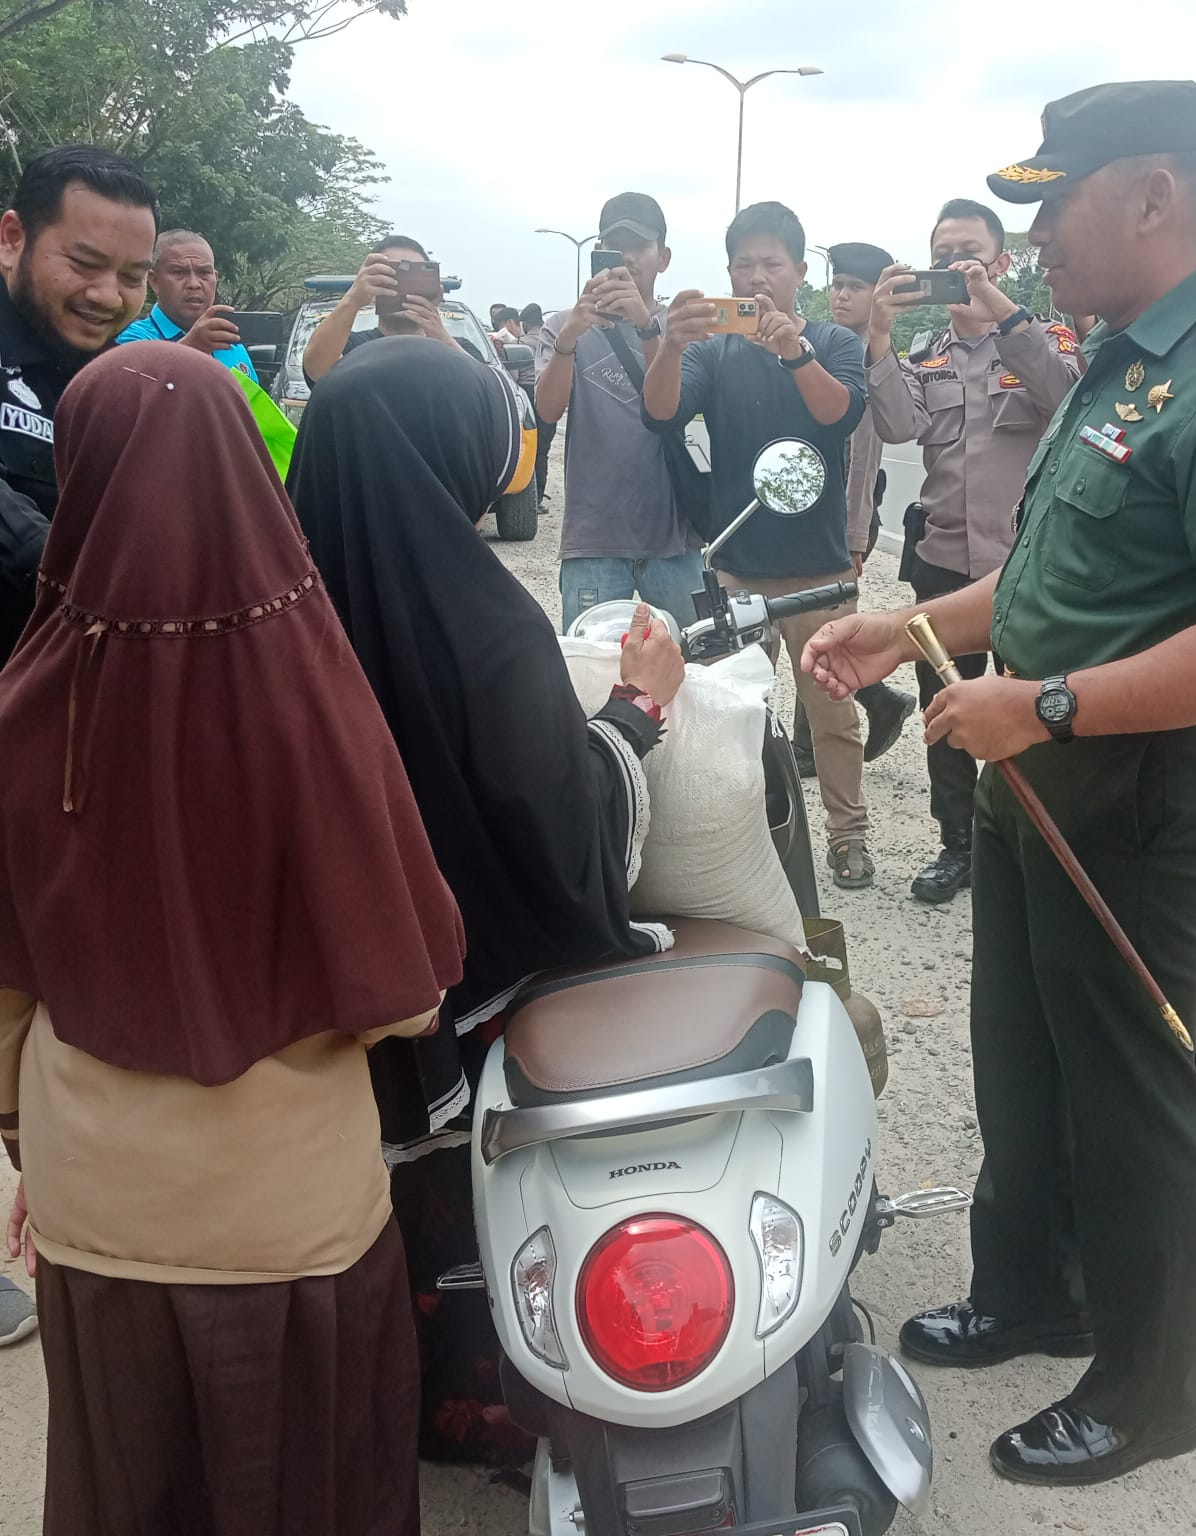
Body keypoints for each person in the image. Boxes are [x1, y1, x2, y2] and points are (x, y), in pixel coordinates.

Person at [805, 81, 1196, 1485]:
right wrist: (910, 628)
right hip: (1035, 776)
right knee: (1025, 1055)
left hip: (1135, 793)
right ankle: (1032, 1287)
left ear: (1154, 198)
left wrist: (1041, 705)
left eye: (1056, 205)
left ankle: (1152, 1387)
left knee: (1132, 1089)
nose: (1034, 237)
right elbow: (1053, 576)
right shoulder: (1116, 359)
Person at [0, 342, 466, 1535]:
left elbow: (3, 991)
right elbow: (401, 996)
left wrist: (23, 1137)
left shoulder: (27, 699)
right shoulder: (311, 691)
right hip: (289, 1210)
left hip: (94, 1199)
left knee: (129, 1482)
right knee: (307, 1484)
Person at [288, 335, 684, 1466]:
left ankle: (383, 1394)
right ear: (451, 456)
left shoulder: (272, 620)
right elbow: (564, 844)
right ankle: (487, 1401)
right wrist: (638, 715)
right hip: (469, 1007)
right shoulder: (484, 627)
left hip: (331, 1015)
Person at [643, 200, 876, 890]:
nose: (756, 276)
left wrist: (791, 352)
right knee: (728, 713)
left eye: (771, 262)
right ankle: (737, 834)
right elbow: (660, 412)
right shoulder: (712, 352)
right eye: (742, 264)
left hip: (821, 570)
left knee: (832, 716)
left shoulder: (833, 342)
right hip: (738, 568)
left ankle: (848, 837)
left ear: (800, 270)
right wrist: (670, 344)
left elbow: (840, 415)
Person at [864, 198, 1082, 904]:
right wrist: (878, 337)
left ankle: (1030, 842)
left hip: (1025, 569)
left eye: (970, 254)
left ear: (999, 262)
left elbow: (1066, 395)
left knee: (1033, 712)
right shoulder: (926, 355)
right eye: (943, 256)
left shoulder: (1041, 339)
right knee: (948, 714)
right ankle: (957, 843)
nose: (955, 267)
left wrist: (1003, 314)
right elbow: (897, 426)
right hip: (942, 565)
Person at [0, 145, 157, 663]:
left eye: (133, 278)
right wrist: (77, 584)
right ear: (12, 239)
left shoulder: (126, 380)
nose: (108, 296)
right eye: (84, 264)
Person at [535, 192, 703, 628]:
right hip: (593, 538)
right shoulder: (560, 325)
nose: (628, 258)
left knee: (685, 673)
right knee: (593, 677)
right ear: (598, 254)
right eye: (615, 246)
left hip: (674, 537)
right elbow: (548, 411)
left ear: (663, 257)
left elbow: (674, 407)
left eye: (641, 246)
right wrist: (569, 338)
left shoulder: (680, 328)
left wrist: (647, 326)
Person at [791, 240, 918, 774]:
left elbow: (864, 457)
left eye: (855, 287)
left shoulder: (868, 356)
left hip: (844, 520)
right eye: (836, 285)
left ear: (877, 295)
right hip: (815, 513)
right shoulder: (825, 344)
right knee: (808, 619)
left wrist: (856, 533)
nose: (841, 296)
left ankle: (817, 740)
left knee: (821, 625)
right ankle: (828, 732)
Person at [302, 233, 466, 384]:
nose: (403, 286)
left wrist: (440, 334)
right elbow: (317, 370)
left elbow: (484, 387)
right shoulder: (350, 347)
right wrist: (353, 299)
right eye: (391, 274)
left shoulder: (460, 348)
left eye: (412, 277)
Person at [115, 228, 256, 379]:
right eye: (179, 272)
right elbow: (134, 391)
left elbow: (252, 403)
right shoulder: (133, 340)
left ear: (215, 278)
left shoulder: (232, 345)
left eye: (204, 273)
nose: (194, 284)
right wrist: (193, 346)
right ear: (154, 280)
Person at [521, 302, 557, 500]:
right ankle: (539, 495)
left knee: (526, 450)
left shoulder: (522, 343)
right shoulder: (553, 337)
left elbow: (514, 376)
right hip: (550, 395)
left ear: (525, 323)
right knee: (543, 450)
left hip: (527, 395)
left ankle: (527, 493)